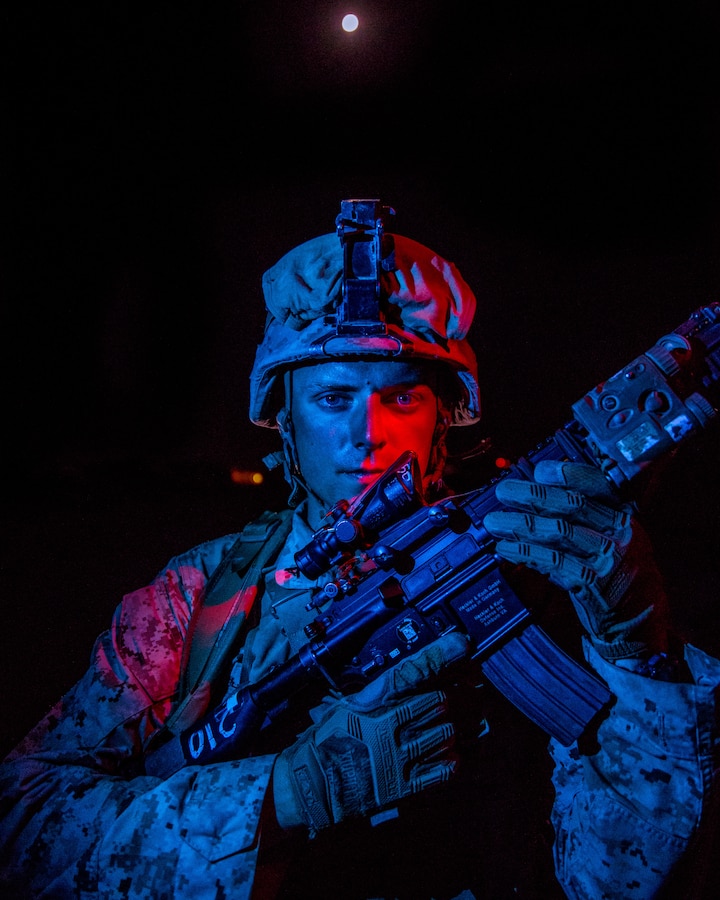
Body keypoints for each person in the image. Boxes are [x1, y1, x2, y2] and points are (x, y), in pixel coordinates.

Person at [1, 199, 719, 900]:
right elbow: (23, 827)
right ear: (283, 417)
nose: (368, 433)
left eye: (403, 398)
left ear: (445, 416)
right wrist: (280, 796)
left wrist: (635, 650)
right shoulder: (198, 601)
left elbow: (620, 879)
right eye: (333, 398)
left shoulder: (538, 568)